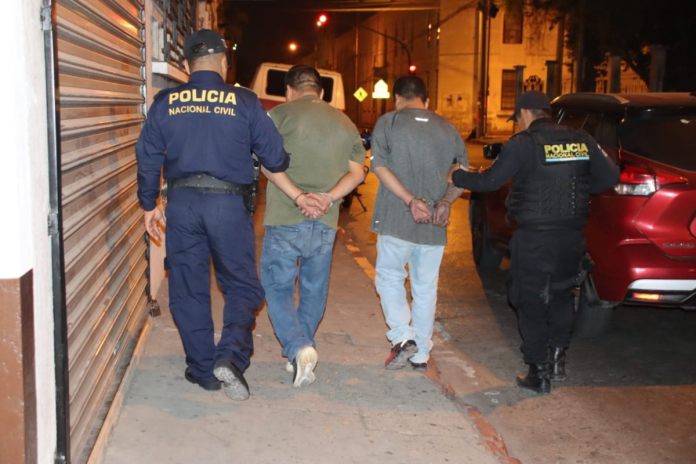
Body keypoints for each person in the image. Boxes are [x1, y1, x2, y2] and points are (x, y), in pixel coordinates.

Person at [136, 29, 291, 401]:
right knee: (242, 285)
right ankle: (232, 356)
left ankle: (203, 370)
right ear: (223, 62)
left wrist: (148, 204)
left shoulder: (165, 102)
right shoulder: (245, 101)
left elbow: (147, 156)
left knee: (187, 286)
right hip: (227, 205)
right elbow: (276, 157)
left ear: (187, 65)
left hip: (183, 203)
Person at [449, 91, 619, 394]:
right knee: (562, 295)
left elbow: (490, 182)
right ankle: (557, 359)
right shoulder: (582, 140)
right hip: (571, 236)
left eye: (517, 118)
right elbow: (608, 178)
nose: (517, 124)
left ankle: (538, 372)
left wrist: (458, 177)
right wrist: (578, 186)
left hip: (535, 238)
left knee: (530, 300)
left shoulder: (523, 144)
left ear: (525, 113)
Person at [260, 65, 366, 387]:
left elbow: (266, 163)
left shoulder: (278, 116)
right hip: (324, 222)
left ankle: (298, 346)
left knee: (277, 288)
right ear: (321, 91)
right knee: (313, 289)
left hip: (284, 218)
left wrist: (299, 197)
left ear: (289, 90)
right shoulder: (344, 122)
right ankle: (300, 355)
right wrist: (327, 198)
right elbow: (358, 172)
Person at [371, 76, 467, 372]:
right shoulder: (448, 129)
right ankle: (421, 353)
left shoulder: (389, 122)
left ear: (398, 98)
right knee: (426, 287)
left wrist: (410, 200)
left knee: (389, 276)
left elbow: (379, 166)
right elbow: (461, 172)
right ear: (426, 101)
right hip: (434, 224)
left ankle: (402, 336)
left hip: (396, 220)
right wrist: (446, 202)